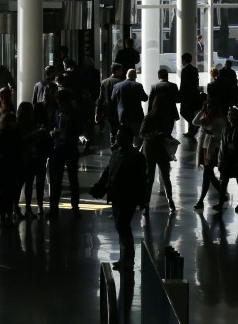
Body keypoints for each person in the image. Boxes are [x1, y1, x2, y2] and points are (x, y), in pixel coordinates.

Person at [91, 126, 147, 271]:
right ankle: (125, 258)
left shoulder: (137, 157)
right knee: (120, 226)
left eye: (120, 136)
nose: (117, 138)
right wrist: (100, 186)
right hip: (117, 195)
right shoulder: (117, 153)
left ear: (129, 138)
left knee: (122, 225)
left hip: (128, 197)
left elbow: (141, 180)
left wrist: (143, 199)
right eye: (117, 135)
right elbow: (108, 171)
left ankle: (128, 259)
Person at [48, 88, 83, 219]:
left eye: (60, 101)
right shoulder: (57, 112)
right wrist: (53, 133)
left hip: (69, 146)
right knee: (56, 179)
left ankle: (75, 206)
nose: (59, 104)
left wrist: (67, 127)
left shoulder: (75, 114)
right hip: (58, 147)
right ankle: (54, 207)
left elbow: (79, 129)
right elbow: (51, 126)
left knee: (73, 178)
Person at [140, 95, 176, 213]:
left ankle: (146, 204)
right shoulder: (166, 118)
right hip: (162, 149)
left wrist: (154, 135)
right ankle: (170, 200)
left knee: (149, 178)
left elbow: (142, 134)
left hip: (150, 149)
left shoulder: (149, 117)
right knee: (165, 177)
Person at [0, 97, 23, 227]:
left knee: (4, 190)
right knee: (10, 190)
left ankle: (2, 214)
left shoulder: (2, 133)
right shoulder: (15, 133)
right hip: (12, 163)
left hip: (3, 163)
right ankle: (7, 214)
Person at [215, 107, 238, 213]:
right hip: (227, 158)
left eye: (232, 114)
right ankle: (220, 202)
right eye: (229, 114)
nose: (230, 116)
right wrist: (220, 160)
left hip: (236, 158)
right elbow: (222, 146)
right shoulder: (227, 128)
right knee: (224, 181)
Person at [193, 99, 224, 209]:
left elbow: (222, 136)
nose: (209, 109)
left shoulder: (220, 120)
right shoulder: (204, 118)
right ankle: (222, 192)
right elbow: (194, 122)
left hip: (212, 149)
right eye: (207, 107)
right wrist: (202, 111)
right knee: (209, 173)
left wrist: (212, 133)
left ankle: (201, 200)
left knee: (207, 174)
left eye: (210, 107)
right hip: (203, 147)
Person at [110, 68, 148, 138]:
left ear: (126, 75)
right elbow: (145, 98)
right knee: (137, 136)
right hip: (136, 116)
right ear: (135, 77)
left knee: (125, 135)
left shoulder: (117, 86)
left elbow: (113, 99)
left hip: (123, 116)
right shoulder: (138, 85)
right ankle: (135, 148)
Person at [95, 63, 124, 141]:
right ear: (116, 71)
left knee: (112, 130)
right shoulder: (121, 82)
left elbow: (101, 99)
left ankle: (113, 146)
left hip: (109, 110)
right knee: (120, 129)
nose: (122, 72)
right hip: (119, 110)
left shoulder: (104, 82)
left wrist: (98, 113)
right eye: (121, 70)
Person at [179, 53, 201, 138]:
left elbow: (183, 84)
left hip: (186, 95)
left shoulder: (184, 70)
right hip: (194, 94)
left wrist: (180, 94)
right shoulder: (195, 69)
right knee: (191, 112)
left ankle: (194, 125)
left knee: (183, 112)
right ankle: (191, 130)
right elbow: (196, 83)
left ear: (184, 60)